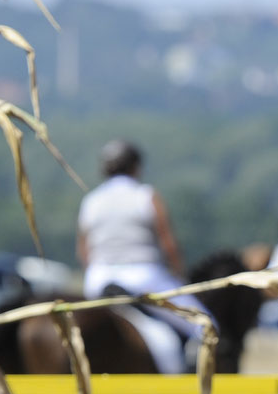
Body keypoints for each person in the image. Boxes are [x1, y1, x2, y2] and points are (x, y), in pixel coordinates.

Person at [75, 140, 203, 373]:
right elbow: (169, 244)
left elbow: (83, 250)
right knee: (204, 326)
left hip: (98, 279)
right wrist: (179, 276)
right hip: (143, 278)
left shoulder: (90, 200)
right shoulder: (146, 196)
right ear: (135, 166)